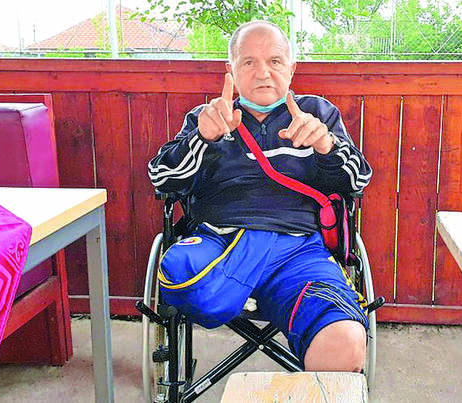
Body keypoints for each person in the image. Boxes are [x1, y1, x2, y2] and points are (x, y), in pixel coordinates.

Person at [147, 20, 372, 372]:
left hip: (298, 252)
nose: (263, 73)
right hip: (218, 242)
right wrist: (202, 139)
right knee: (177, 269)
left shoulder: (318, 114)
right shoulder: (208, 117)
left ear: (291, 68)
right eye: (249, 62)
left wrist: (325, 145)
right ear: (232, 70)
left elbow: (357, 180)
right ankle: (249, 281)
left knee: (344, 342)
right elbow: (162, 179)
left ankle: (240, 286)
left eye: (275, 61)